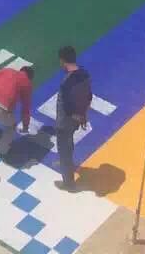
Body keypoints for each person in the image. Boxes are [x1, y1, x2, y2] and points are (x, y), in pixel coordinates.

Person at [55, 45, 92, 191]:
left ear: (62, 61)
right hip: (77, 118)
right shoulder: (85, 74)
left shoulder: (66, 83)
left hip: (65, 121)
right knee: (69, 143)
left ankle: (68, 183)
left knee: (64, 149)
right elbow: (88, 97)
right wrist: (83, 116)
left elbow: (67, 107)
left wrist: (75, 116)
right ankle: (68, 165)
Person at [0, 64, 34, 158]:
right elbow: (25, 109)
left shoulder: (6, 70)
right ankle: (3, 149)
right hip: (1, 110)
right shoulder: (27, 82)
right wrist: (25, 126)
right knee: (11, 126)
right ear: (30, 77)